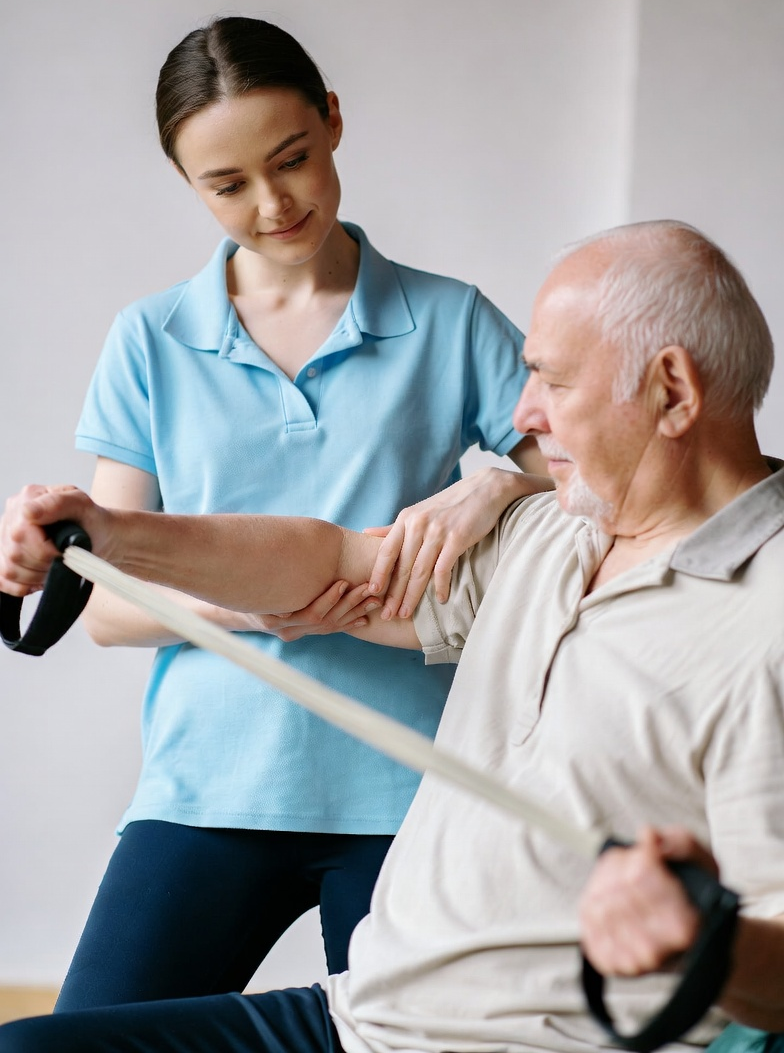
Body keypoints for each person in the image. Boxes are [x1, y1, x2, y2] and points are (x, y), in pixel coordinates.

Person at [2, 219, 783, 1053]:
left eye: (553, 383)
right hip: (357, 1020)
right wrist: (112, 532)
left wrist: (707, 940)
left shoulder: (766, 621)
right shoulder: (552, 530)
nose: (523, 414)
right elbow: (328, 563)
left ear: (671, 390)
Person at [47, 14, 550, 1009]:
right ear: (187, 182)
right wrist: (256, 603)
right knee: (76, 1040)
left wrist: (492, 478)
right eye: (227, 186)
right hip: (207, 785)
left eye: (294, 160)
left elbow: (582, 474)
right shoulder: (148, 339)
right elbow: (103, 605)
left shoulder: (449, 318)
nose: (273, 204)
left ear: (332, 121)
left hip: (411, 785)